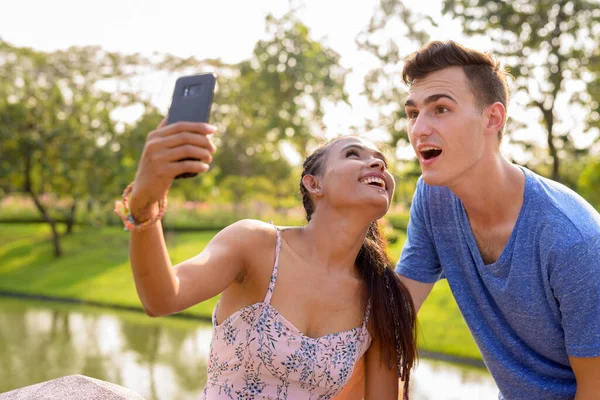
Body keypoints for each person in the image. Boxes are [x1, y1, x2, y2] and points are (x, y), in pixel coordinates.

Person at [114, 118, 418, 399]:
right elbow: (163, 298)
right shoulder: (255, 244)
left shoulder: (381, 297)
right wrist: (146, 202)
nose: (377, 163)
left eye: (382, 161)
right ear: (314, 184)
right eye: (353, 154)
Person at [393, 41, 600, 399]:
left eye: (440, 109)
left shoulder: (571, 240)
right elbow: (394, 312)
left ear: (492, 118)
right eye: (413, 113)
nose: (418, 130)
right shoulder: (434, 198)